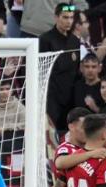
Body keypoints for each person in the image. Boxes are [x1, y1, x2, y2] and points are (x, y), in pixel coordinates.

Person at [40, 3, 82, 138]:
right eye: (65, 17)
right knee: (51, 134)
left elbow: (76, 69)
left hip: (69, 96)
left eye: (71, 18)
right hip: (51, 95)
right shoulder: (45, 40)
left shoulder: (75, 41)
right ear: (56, 17)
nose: (69, 21)